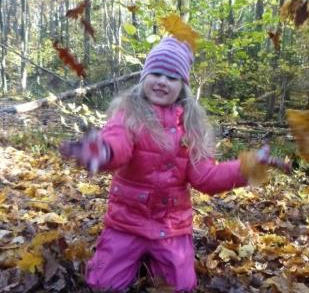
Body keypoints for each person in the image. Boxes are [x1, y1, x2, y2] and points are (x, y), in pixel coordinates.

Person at [60, 36, 288, 292]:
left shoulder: (191, 127)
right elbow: (118, 146)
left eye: (171, 77)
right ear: (144, 77)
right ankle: (133, 259)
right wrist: (100, 151)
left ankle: (153, 261)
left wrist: (246, 167)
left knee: (182, 287)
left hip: (170, 226)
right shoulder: (128, 115)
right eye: (156, 73)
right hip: (127, 221)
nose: (162, 81)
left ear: (182, 85)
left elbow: (206, 177)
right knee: (102, 284)